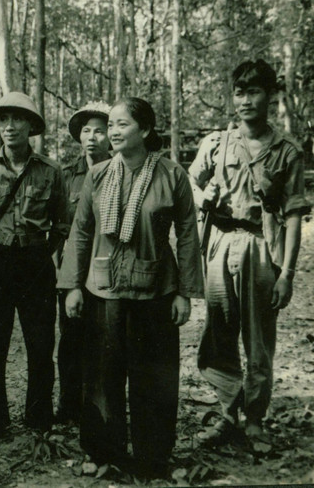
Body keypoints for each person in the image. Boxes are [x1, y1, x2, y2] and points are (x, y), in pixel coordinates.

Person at [57, 97, 203, 478]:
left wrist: (185, 293)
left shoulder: (172, 175)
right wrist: (72, 286)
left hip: (155, 291)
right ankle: (104, 453)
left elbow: (188, 235)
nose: (114, 132)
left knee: (153, 377)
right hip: (103, 291)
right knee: (102, 377)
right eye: (112, 126)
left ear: (146, 130)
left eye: (122, 125)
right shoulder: (99, 175)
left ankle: (153, 458)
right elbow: (81, 232)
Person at [189, 60, 310, 448]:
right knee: (218, 334)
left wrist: (287, 273)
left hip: (262, 246)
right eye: (239, 92)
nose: (245, 100)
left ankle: (254, 419)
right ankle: (228, 414)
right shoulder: (216, 143)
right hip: (220, 244)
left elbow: (293, 216)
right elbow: (189, 183)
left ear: (271, 96)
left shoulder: (287, 152)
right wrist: (201, 196)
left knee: (259, 340)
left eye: (254, 91)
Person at [0, 91, 69, 437]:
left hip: (36, 265)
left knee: (41, 348)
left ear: (31, 126)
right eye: (3, 120)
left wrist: (41, 254)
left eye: (18, 119)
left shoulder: (52, 172)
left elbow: (62, 225)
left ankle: (38, 419)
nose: (9, 127)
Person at [54, 101, 111, 425]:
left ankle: (100, 408)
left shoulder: (119, 172)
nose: (92, 138)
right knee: (70, 339)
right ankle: (68, 406)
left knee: (104, 340)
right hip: (73, 269)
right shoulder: (64, 176)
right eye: (86, 131)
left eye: (99, 131)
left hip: (106, 269)